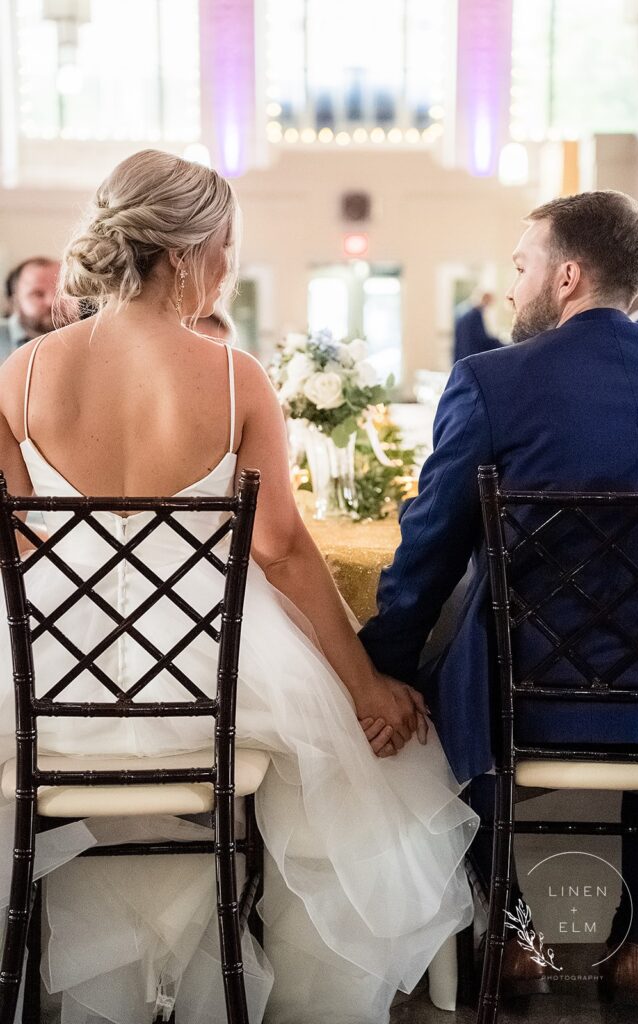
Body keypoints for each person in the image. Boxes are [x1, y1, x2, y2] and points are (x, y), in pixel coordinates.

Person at [0, 150, 477, 1024]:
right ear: (186, 254)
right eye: (226, 246)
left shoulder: (18, 375)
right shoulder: (232, 378)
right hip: (203, 681)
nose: (227, 265)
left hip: (51, 689)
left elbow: (21, 545)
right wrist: (364, 683)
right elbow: (285, 552)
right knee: (373, 761)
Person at [360, 190, 638, 1006]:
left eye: (520, 266)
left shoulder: (490, 381)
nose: (510, 287)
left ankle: (510, 932)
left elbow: (427, 547)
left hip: (515, 699)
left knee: (428, 683)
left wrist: (379, 667)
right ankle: (636, 940)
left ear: (566, 275)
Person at [0, 258, 64, 361]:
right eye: (38, 294)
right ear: (15, 301)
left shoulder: (86, 337)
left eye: (60, 291)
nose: (52, 301)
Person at [453, 290, 502, 362]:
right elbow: (482, 338)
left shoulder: (465, 312)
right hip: (470, 355)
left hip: (462, 355)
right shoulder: (475, 315)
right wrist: (500, 344)